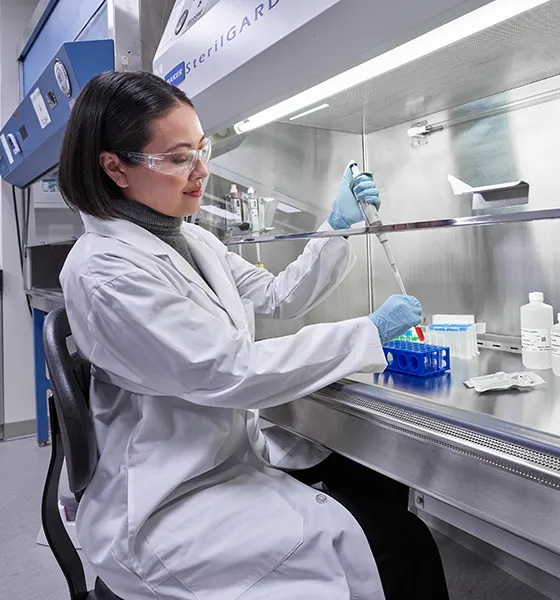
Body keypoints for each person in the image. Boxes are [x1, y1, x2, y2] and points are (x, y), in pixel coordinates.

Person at [57, 71, 449, 600]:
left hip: (221, 453)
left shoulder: (188, 237)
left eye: (202, 149)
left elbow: (279, 296)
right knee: (401, 545)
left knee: (376, 482)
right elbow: (229, 369)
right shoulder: (106, 272)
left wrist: (336, 227)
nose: (200, 171)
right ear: (114, 168)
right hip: (169, 495)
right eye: (178, 159)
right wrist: (368, 332)